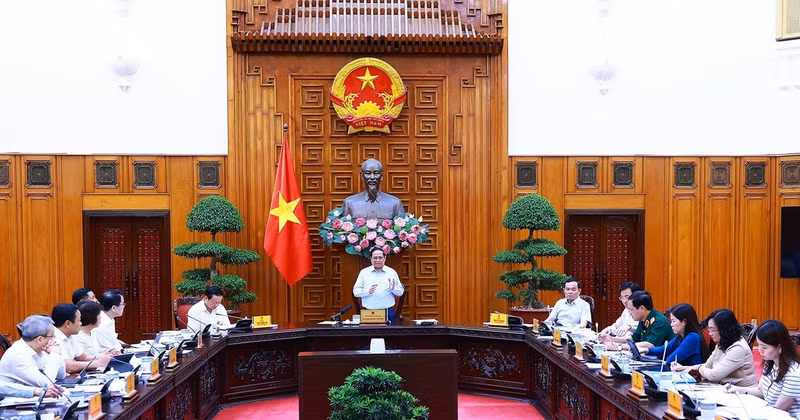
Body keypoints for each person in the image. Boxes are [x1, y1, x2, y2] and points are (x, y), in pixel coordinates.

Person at [726, 320, 800, 417]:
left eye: (764, 347)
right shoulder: (771, 363)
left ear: (780, 347)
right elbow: (760, 391)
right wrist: (736, 389)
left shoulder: (793, 375)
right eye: (759, 345)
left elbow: (777, 411)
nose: (760, 351)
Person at [672, 309, 756, 386]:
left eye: (712, 330)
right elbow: (707, 366)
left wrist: (698, 368)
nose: (709, 334)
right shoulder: (722, 343)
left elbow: (713, 375)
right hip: (725, 391)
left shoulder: (738, 348)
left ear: (724, 330)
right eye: (709, 330)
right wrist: (682, 368)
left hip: (743, 395)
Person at [0, 315, 66, 388]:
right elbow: (47, 383)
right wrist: (54, 353)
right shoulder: (18, 355)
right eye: (52, 335)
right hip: (14, 398)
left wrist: (55, 354)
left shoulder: (38, 349)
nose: (54, 339)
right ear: (40, 339)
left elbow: (61, 376)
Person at [637, 303, 707, 368]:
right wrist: (646, 350)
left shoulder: (693, 338)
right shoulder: (680, 336)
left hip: (692, 378)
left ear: (684, 322)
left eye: (673, 321)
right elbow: (664, 350)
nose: (671, 325)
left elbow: (671, 359)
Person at [51, 304, 110, 373]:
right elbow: (69, 367)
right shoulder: (53, 338)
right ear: (68, 324)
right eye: (79, 320)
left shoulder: (70, 335)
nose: (81, 323)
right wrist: (98, 363)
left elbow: (83, 357)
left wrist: (106, 356)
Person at [353, 247, 404, 321]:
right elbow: (356, 292)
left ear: (384, 258)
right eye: (375, 258)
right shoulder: (364, 272)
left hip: (388, 312)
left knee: (391, 332)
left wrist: (393, 288)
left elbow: (400, 292)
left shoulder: (391, 272)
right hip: (369, 313)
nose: (377, 260)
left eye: (380, 257)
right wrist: (368, 291)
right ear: (371, 258)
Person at [92, 289, 125, 354]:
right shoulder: (101, 323)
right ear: (113, 308)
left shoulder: (109, 319)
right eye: (123, 304)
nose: (124, 307)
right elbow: (110, 348)